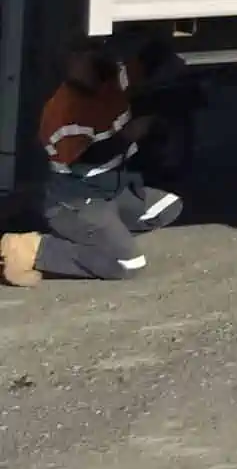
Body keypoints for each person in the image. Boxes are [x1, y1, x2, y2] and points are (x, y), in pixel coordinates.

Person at [1, 43, 184, 287]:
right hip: (78, 198)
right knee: (127, 263)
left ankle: (99, 238)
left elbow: (143, 68)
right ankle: (29, 249)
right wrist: (130, 135)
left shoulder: (109, 81)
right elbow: (84, 157)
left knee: (169, 206)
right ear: (69, 66)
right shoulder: (63, 110)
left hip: (113, 190)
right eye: (82, 60)